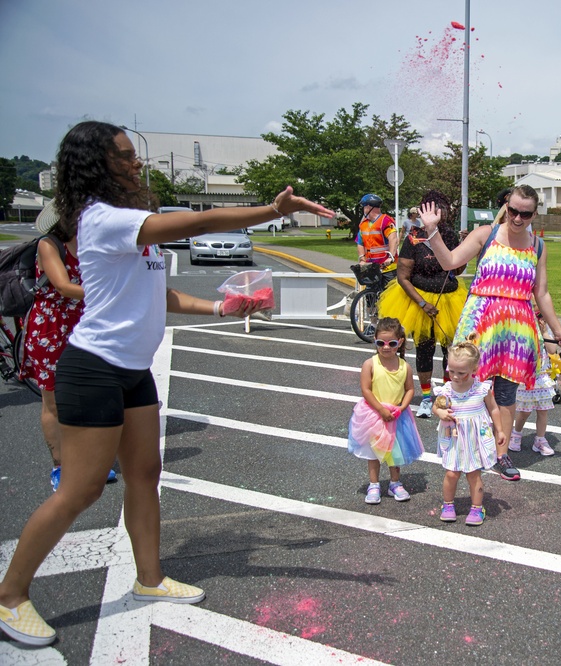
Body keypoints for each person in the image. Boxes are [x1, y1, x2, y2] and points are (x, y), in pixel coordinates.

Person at [0, 120, 334, 647]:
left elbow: (161, 295)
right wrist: (273, 211)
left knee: (144, 474)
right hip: (94, 367)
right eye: (127, 155)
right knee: (82, 489)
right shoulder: (104, 219)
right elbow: (199, 224)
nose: (137, 163)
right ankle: (10, 595)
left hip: (132, 370)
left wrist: (223, 306)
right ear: (97, 165)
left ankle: (150, 579)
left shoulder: (129, 222)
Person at [419, 184, 561, 483]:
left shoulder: (538, 246)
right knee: (468, 386)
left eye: (525, 214)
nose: (517, 218)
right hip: (480, 323)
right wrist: (432, 232)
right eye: (513, 210)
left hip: (517, 329)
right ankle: (463, 444)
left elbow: (541, 291)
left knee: (506, 393)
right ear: (506, 206)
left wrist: (557, 330)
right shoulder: (486, 234)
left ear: (534, 214)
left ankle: (501, 455)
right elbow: (450, 262)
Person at [19, 206, 115, 491]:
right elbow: (63, 286)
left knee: (90, 395)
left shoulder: (92, 244)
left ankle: (91, 459)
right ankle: (60, 466)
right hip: (51, 326)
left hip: (85, 323)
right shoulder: (49, 245)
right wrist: (114, 291)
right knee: (53, 401)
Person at [378, 190, 468, 419]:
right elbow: (403, 277)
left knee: (452, 351)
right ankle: (427, 398)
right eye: (433, 209)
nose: (439, 214)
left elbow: (457, 269)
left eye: (442, 209)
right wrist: (422, 303)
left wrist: (465, 249)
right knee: (425, 349)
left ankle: (447, 396)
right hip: (419, 301)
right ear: (423, 212)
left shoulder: (449, 235)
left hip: (451, 299)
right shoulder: (412, 238)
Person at [347, 317, 423, 504]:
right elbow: (366, 389)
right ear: (375, 341)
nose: (386, 347)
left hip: (397, 415)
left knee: (395, 451)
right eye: (381, 343)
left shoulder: (405, 367)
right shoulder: (370, 364)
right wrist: (381, 409)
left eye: (392, 343)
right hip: (374, 414)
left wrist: (402, 407)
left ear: (400, 343)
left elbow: (410, 389)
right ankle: (374, 484)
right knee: (373, 452)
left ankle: (394, 483)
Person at [433, 340, 502, 525]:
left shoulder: (481, 389)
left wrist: (500, 430)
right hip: (454, 438)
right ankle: (447, 505)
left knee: (474, 474)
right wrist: (441, 412)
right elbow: (435, 407)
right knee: (451, 474)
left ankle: (477, 508)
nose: (455, 376)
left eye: (461, 372)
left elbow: (494, 409)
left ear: (474, 369)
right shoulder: (447, 389)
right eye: (451, 370)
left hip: (475, 438)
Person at [511, 308, 559, 457]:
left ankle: (540, 440)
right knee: (524, 411)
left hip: (542, 378)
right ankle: (516, 434)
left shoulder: (545, 329)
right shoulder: (521, 327)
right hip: (527, 376)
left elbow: (552, 350)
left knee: (543, 411)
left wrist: (544, 331)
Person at [356, 193, 398, 273]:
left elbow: (393, 239)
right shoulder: (363, 224)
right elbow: (360, 243)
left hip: (387, 267)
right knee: (370, 286)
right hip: (370, 266)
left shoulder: (386, 221)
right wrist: (362, 259)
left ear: (368, 207)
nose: (363, 210)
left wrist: (391, 257)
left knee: (388, 285)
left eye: (364, 207)